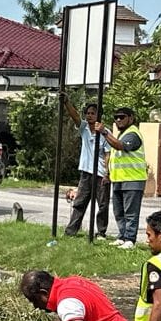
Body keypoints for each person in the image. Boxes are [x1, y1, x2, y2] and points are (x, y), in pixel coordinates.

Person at [99, 107, 148, 248]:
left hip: (133, 179)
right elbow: (114, 156)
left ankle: (130, 239)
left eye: (122, 117)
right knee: (119, 211)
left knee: (130, 212)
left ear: (131, 118)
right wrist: (108, 174)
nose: (118, 120)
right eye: (116, 117)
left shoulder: (133, 134)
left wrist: (104, 132)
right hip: (119, 179)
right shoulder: (121, 134)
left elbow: (120, 146)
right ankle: (122, 236)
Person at [60, 98, 109, 238]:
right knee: (79, 203)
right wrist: (66, 101)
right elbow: (74, 116)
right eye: (87, 113)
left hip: (100, 174)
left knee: (102, 205)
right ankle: (71, 231)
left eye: (93, 113)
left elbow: (108, 154)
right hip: (86, 173)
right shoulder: (84, 128)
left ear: (99, 115)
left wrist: (107, 173)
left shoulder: (105, 132)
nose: (89, 116)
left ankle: (101, 232)